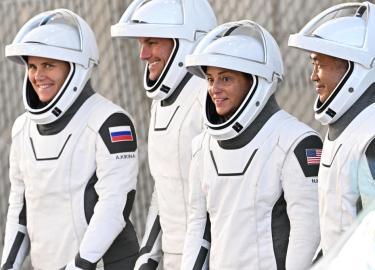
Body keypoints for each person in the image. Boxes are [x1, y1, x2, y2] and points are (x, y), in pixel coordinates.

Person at [1, 9, 139, 270]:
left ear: (75, 68)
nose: (38, 75)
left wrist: (80, 265)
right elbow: (19, 208)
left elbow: (115, 204)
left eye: (49, 65)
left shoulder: (111, 121)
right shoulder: (22, 128)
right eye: (33, 66)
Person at [181, 20, 322, 270]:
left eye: (226, 78)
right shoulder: (201, 146)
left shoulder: (296, 141)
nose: (215, 89)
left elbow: (307, 232)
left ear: (256, 81)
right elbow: (198, 228)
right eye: (211, 79)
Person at [288, 1, 375, 255]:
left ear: (356, 67)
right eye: (312, 64)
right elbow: (337, 229)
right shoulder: (352, 125)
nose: (313, 76)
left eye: (320, 63)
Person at [111, 0, 216, 269]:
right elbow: (165, 187)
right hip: (174, 258)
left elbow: (217, 198)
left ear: (187, 41)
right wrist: (148, 254)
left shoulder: (211, 98)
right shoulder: (161, 102)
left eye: (153, 42)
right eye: (141, 43)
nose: (143, 54)